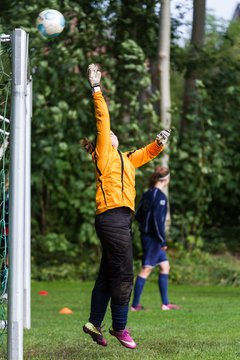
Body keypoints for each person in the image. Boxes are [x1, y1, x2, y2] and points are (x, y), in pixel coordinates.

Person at [81, 64, 171, 349]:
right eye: (107, 135)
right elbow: (103, 119)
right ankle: (120, 327)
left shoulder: (126, 158)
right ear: (103, 143)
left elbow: (145, 153)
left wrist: (158, 144)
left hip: (119, 220)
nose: (110, 134)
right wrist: (96, 89)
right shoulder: (105, 154)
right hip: (112, 217)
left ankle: (94, 323)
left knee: (109, 273)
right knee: (124, 274)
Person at [131, 166, 180, 311]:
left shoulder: (147, 194)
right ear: (166, 180)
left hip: (147, 236)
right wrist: (162, 240)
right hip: (153, 238)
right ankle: (134, 306)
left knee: (165, 266)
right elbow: (158, 222)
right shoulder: (160, 197)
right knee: (146, 269)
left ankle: (165, 304)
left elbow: (138, 215)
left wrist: (144, 228)